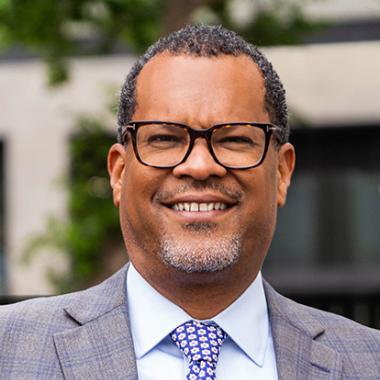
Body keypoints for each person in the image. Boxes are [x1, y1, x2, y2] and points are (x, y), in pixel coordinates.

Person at [0, 24, 379, 380]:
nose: (200, 166)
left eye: (234, 140)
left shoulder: (368, 361)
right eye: (165, 139)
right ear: (118, 173)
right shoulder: (10, 350)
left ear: (281, 172)